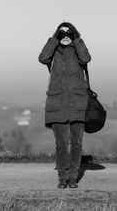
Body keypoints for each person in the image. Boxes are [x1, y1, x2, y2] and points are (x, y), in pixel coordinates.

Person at [38, 22, 91, 189]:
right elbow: (42, 58)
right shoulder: (54, 51)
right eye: (63, 35)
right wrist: (54, 39)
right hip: (58, 102)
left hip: (77, 102)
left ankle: (73, 178)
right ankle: (62, 178)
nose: (66, 37)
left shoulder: (78, 49)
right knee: (61, 144)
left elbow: (86, 59)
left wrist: (77, 40)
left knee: (76, 143)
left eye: (70, 34)